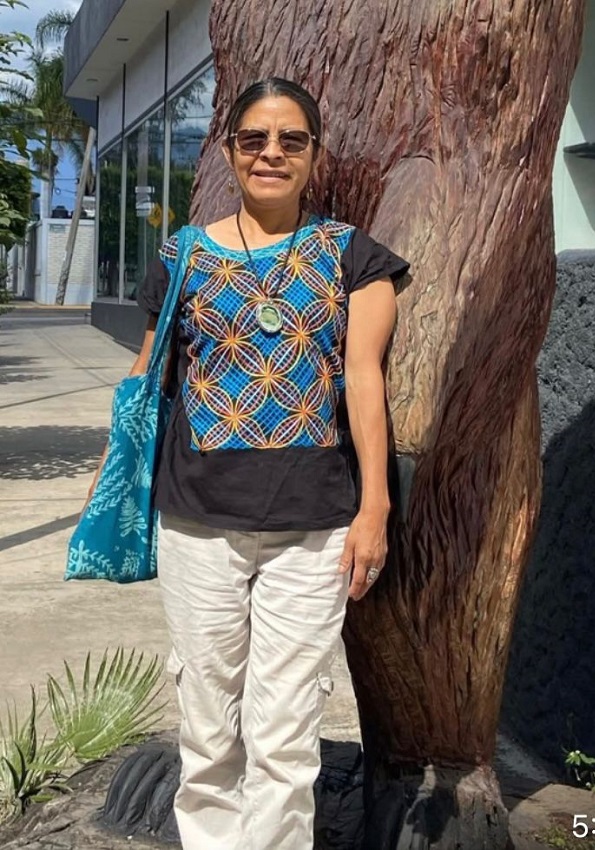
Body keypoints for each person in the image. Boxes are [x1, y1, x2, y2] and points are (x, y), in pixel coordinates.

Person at [112, 78, 408, 850]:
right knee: (209, 731)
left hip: (313, 529)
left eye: (291, 140)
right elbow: (147, 383)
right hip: (197, 521)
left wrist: (374, 507)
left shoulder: (355, 257)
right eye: (254, 139)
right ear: (230, 150)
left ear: (314, 153)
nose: (271, 153)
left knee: (285, 733)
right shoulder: (181, 255)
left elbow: (365, 382)